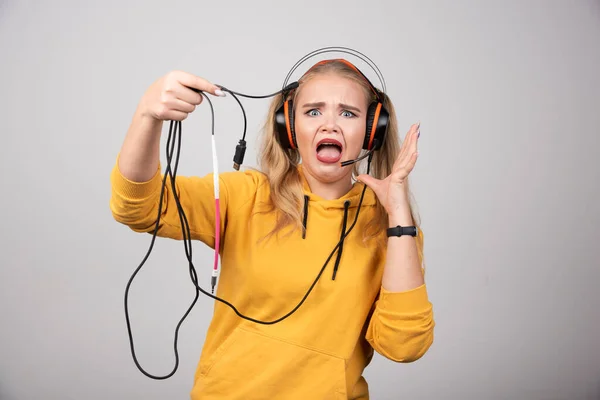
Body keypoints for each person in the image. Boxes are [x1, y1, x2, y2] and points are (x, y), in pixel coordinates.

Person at [109, 57, 435, 399]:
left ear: (372, 130)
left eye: (348, 113)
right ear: (289, 127)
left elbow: (404, 346)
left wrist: (399, 215)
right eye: (313, 112)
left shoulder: (393, 230)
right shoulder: (247, 196)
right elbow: (137, 207)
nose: (329, 126)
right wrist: (147, 115)